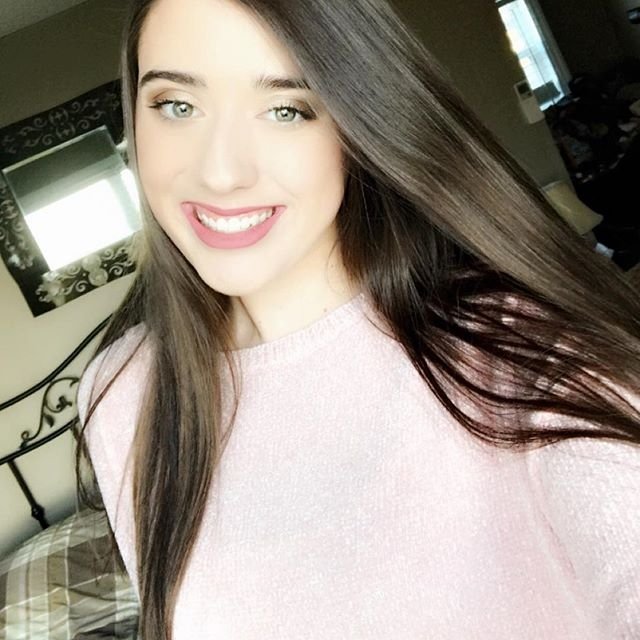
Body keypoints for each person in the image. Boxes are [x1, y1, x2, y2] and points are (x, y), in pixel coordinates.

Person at [75, 0, 640, 638]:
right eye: (177, 105)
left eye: (286, 109)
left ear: (357, 121)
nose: (220, 173)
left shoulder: (527, 351)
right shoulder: (119, 392)